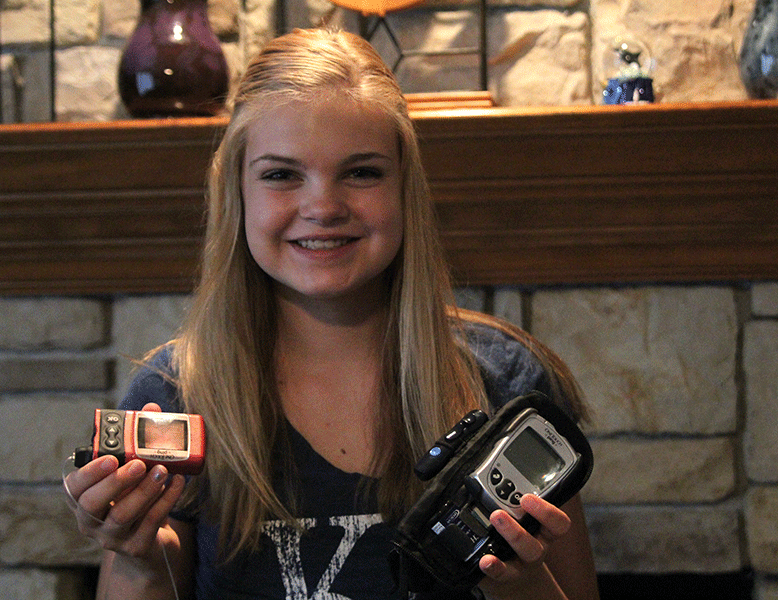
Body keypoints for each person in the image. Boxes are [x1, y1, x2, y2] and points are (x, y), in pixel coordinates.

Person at [64, 27, 601, 600]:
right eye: (281, 175)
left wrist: (515, 581)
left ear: (404, 188)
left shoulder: (502, 380)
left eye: (362, 172)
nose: (322, 206)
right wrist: (143, 561)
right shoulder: (176, 394)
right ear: (237, 192)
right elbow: (146, 572)